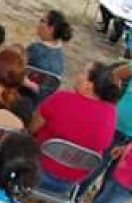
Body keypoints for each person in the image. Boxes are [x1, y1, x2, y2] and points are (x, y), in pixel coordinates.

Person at [29, 62, 121, 195]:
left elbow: (32, 128)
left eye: (83, 73)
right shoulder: (111, 113)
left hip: (37, 172)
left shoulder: (61, 99)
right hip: (69, 184)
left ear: (89, 86)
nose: (78, 75)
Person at [27, 10, 72, 101]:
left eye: (42, 21)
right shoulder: (60, 58)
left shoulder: (36, 49)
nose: (39, 23)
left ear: (51, 29)